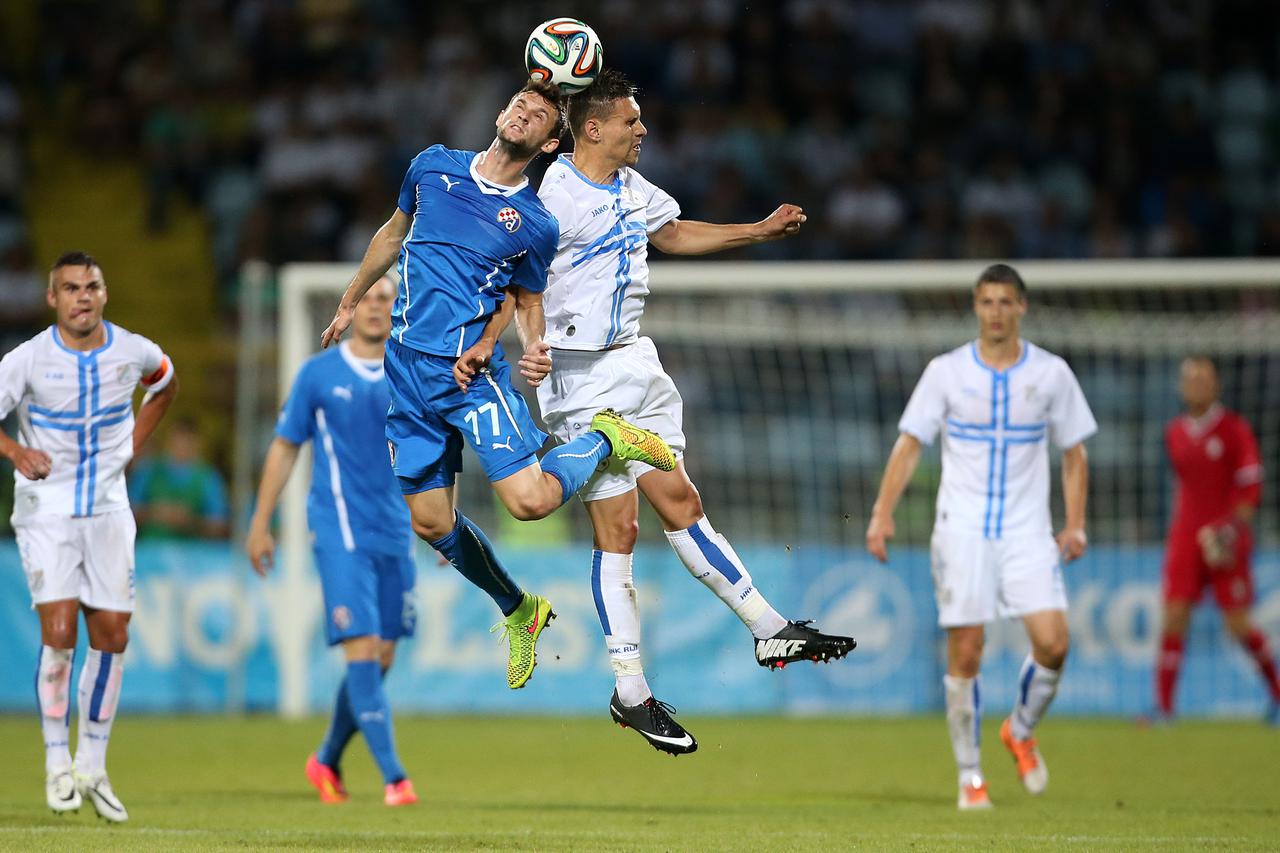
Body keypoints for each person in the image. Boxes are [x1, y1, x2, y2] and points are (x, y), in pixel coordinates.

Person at [505, 69, 856, 756]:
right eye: (632, 121)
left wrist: (757, 232)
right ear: (595, 126)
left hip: (635, 362)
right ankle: (630, 689)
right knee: (621, 528)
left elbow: (675, 233)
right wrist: (527, 347)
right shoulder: (549, 192)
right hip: (577, 376)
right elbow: (517, 274)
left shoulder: (633, 189)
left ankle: (768, 628)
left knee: (682, 500)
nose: (644, 130)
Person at [319, 78, 676, 691]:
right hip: (406, 373)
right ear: (499, 114)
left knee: (532, 503)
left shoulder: (534, 222)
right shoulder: (432, 167)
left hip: (468, 377)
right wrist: (351, 302)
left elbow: (526, 298)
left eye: (539, 115)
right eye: (519, 105)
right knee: (431, 522)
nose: (524, 114)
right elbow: (390, 234)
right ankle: (520, 610)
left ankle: (606, 435)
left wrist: (529, 347)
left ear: (549, 142)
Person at [865, 264, 1096, 810]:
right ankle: (970, 774)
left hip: (1026, 531)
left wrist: (1076, 522)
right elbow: (909, 443)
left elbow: (1074, 453)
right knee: (967, 649)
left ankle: (1019, 728)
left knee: (1055, 643)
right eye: (986, 301)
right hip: (961, 529)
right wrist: (881, 514)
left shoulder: (1052, 373)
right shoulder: (946, 372)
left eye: (1005, 302)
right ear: (976, 306)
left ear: (1022, 308)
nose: (995, 311)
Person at [0, 251, 177, 821]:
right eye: (70, 288)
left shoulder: (133, 350)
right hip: (46, 509)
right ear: (52, 298)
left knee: (113, 637)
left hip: (108, 510)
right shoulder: (26, 360)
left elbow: (165, 383)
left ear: (104, 293)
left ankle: (92, 766)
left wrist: (131, 446)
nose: (82, 296)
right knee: (59, 633)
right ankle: (56, 762)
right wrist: (15, 450)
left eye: (91, 286)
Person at [247, 276, 418, 806]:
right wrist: (261, 521)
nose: (375, 307)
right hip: (339, 530)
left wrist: (444, 525)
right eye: (366, 298)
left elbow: (436, 449)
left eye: (385, 298)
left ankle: (324, 760)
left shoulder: (411, 374)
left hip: (396, 530)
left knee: (383, 656)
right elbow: (284, 446)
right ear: (350, 306)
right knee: (361, 649)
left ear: (397, 307)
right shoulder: (319, 374)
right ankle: (395, 778)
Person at [1155, 356, 1278, 722]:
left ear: (1217, 385)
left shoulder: (1235, 430)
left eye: (1203, 379)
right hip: (1186, 536)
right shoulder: (1174, 432)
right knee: (1174, 616)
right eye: (1190, 379)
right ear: (1181, 387)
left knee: (1238, 624)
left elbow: (1250, 488)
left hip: (1227, 539)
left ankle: (1277, 694)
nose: (1196, 385)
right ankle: (1163, 711)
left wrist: (1229, 531)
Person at [128, 415, 229, 539]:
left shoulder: (208, 477)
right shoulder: (148, 471)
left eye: (187, 441)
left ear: (197, 444)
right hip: (150, 550)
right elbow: (126, 512)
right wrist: (154, 512)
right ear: (169, 441)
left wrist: (190, 520)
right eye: (178, 440)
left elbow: (219, 524)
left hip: (196, 552)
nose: (182, 446)